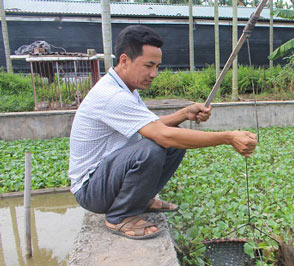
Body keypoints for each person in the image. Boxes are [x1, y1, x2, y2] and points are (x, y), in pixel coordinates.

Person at [68, 25, 257, 240]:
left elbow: (151, 125)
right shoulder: (113, 96)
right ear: (124, 60)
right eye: (148, 66)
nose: (154, 74)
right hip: (91, 190)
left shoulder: (125, 88)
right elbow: (160, 134)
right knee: (154, 147)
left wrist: (185, 113)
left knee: (173, 142)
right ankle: (120, 216)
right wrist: (228, 137)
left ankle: (140, 199)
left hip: (106, 177)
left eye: (157, 66)